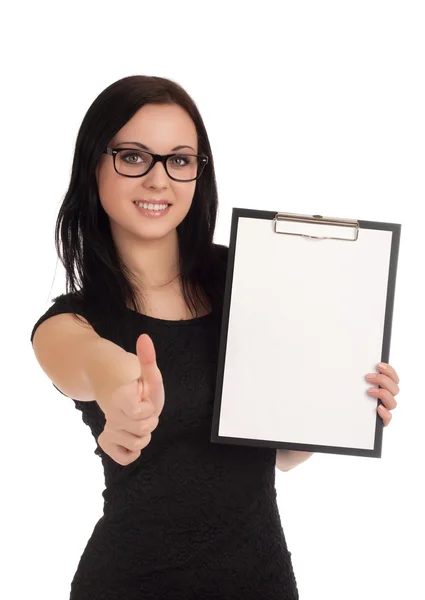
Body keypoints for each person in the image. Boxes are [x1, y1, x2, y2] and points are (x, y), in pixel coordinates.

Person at [30, 75, 400, 600]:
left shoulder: (253, 280)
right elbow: (93, 364)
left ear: (199, 173)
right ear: (94, 166)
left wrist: (345, 402)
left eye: (179, 160)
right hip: (131, 584)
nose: (160, 180)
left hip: (261, 580)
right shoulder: (68, 324)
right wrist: (123, 393)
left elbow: (280, 454)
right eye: (133, 157)